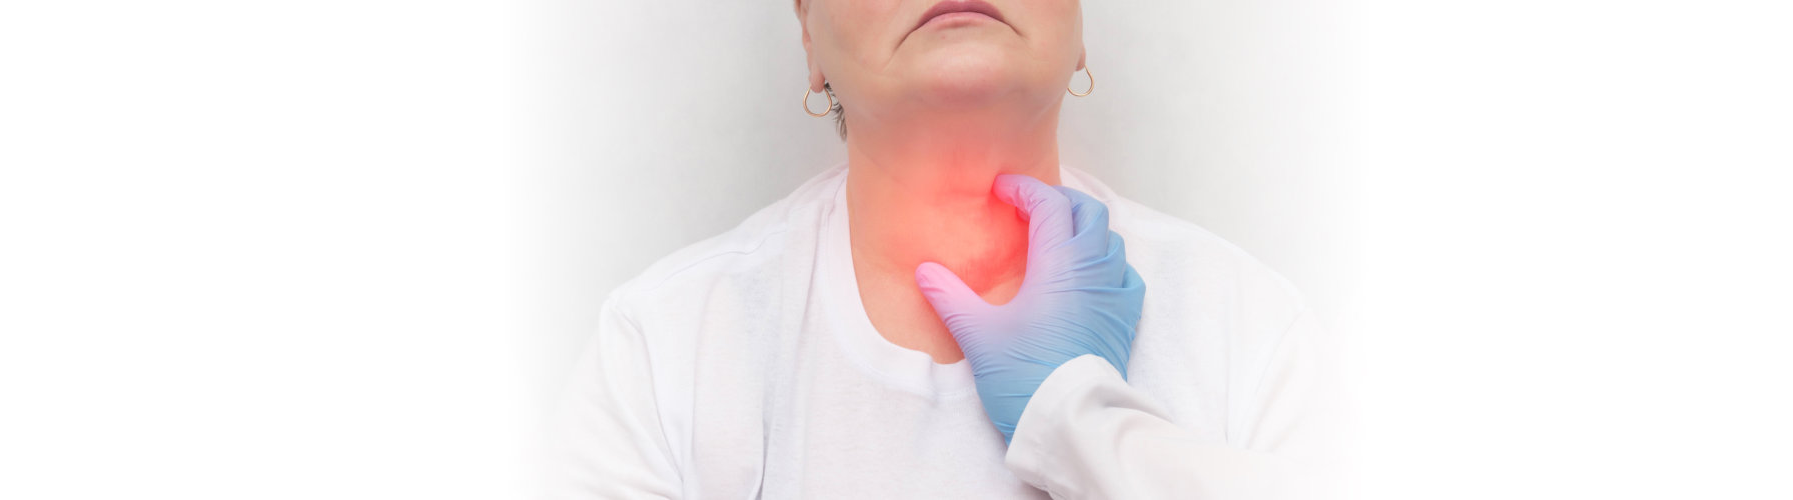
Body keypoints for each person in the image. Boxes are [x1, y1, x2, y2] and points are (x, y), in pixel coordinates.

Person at [548, 0, 1337, 498]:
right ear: (809, 38)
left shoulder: (1252, 335)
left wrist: (1079, 422)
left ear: (1080, 30)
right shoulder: (663, 354)